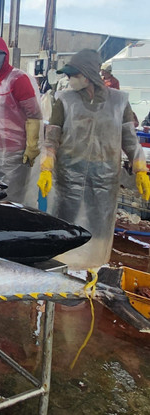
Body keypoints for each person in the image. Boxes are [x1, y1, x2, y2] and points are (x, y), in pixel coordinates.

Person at [37, 49, 150, 269]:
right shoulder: (64, 100)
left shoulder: (119, 101)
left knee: (99, 227)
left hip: (104, 178)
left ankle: (94, 270)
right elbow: (52, 139)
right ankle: (62, 269)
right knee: (65, 224)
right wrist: (46, 168)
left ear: (88, 74)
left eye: (73, 74)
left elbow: (130, 140)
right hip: (68, 176)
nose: (69, 79)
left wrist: (140, 170)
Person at [0, 36, 42, 206]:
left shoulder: (18, 79)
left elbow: (33, 115)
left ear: (5, 55)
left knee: (12, 200)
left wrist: (32, 145)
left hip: (16, 154)